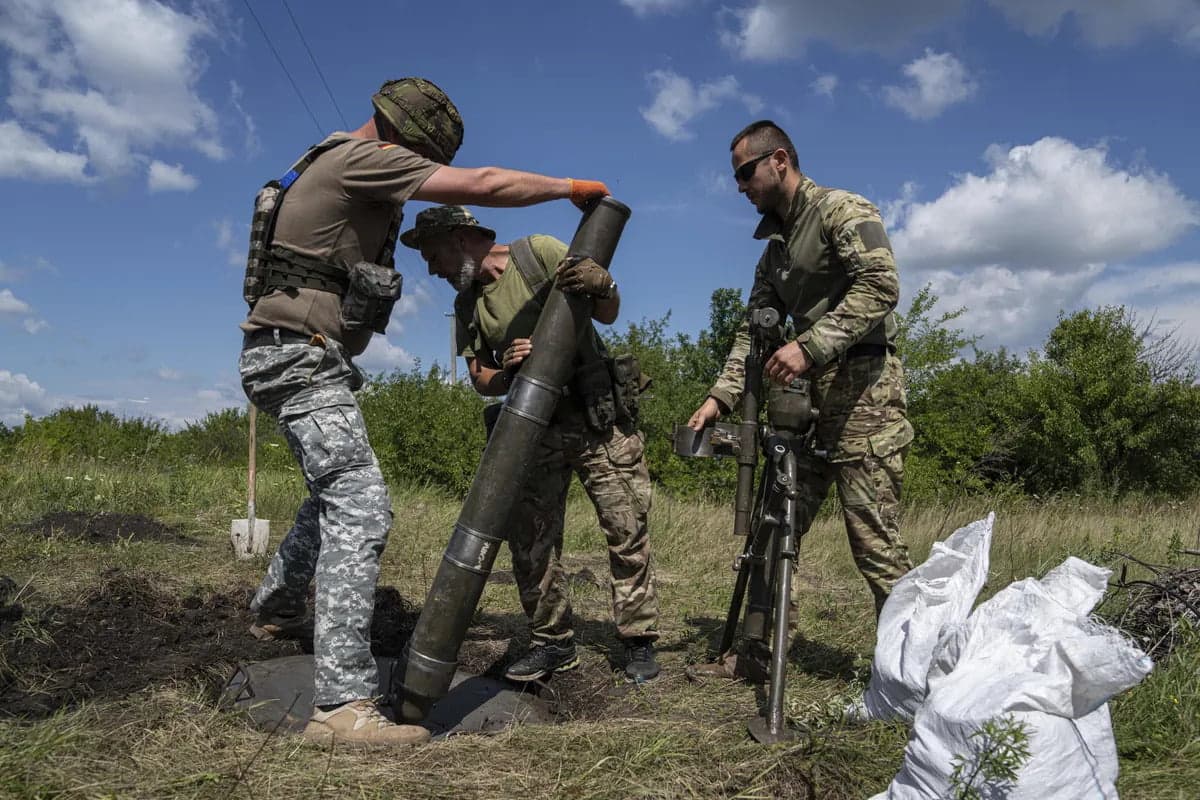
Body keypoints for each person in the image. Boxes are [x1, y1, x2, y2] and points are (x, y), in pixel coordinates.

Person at [237, 78, 612, 747]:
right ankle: (341, 707)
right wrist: (568, 188)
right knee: (361, 505)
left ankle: (276, 607)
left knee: (331, 495)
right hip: (297, 355)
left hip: (293, 354)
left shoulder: (331, 159)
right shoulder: (363, 158)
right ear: (406, 139)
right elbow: (487, 183)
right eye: (423, 157)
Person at [687, 120, 914, 678]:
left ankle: (912, 675)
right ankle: (755, 656)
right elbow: (752, 330)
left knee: (876, 545)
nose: (740, 186)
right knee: (774, 529)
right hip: (805, 409)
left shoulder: (841, 210)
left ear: (779, 160)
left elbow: (882, 285)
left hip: (864, 398)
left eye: (745, 172)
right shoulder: (774, 253)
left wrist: (809, 346)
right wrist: (720, 395)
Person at [400, 205, 661, 683]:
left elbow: (606, 310)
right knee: (532, 542)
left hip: (594, 417)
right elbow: (480, 377)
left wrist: (604, 284)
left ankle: (638, 641)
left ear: (459, 238)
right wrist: (508, 368)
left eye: (432, 254)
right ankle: (554, 643)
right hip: (532, 431)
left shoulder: (536, 254)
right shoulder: (467, 305)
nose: (431, 268)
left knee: (626, 527)